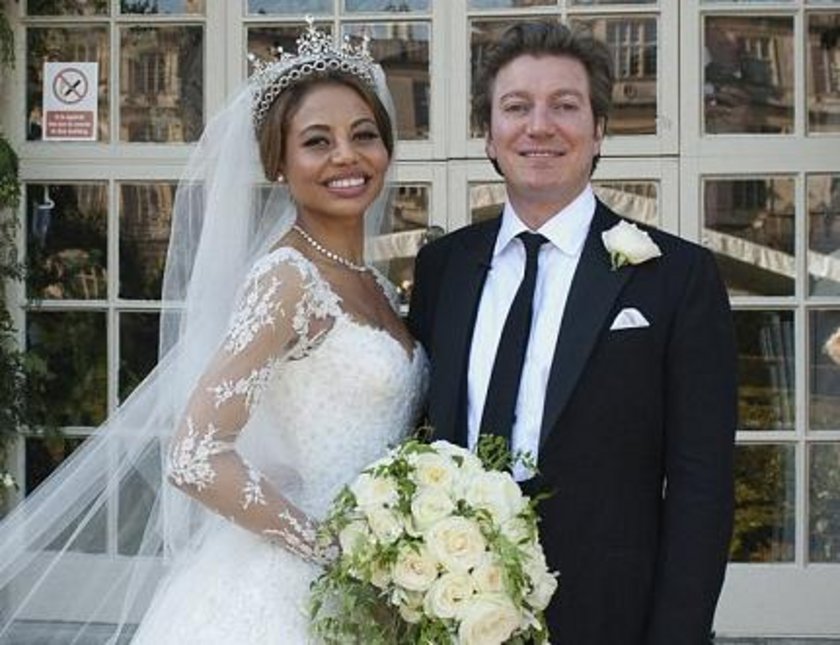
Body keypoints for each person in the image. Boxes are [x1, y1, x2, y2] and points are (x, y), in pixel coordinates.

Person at [0, 21, 427, 644]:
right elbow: (195, 455)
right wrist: (333, 551)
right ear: (278, 163)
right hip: (297, 585)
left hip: (379, 579)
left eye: (364, 135)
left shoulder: (379, 287)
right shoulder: (287, 278)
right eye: (317, 141)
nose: (346, 155)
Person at [409, 20, 737, 644]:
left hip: (610, 616)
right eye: (516, 107)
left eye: (564, 105)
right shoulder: (442, 268)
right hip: (451, 611)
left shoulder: (678, 276)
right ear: (488, 135)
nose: (539, 126)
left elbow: (703, 487)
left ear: (599, 130)